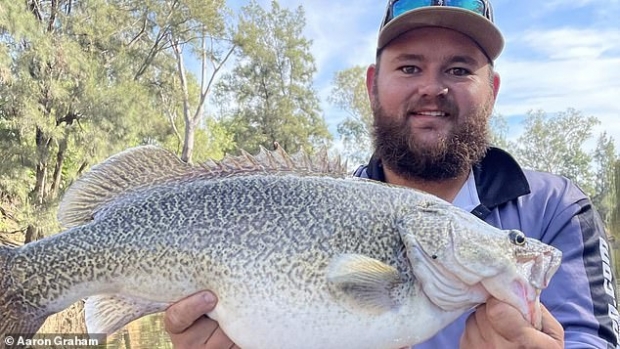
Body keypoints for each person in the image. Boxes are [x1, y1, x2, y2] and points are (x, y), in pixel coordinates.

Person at [163, 0, 620, 348]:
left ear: (493, 92)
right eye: (409, 67)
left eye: (459, 69)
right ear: (371, 85)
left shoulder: (555, 209)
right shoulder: (327, 198)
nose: (431, 88)